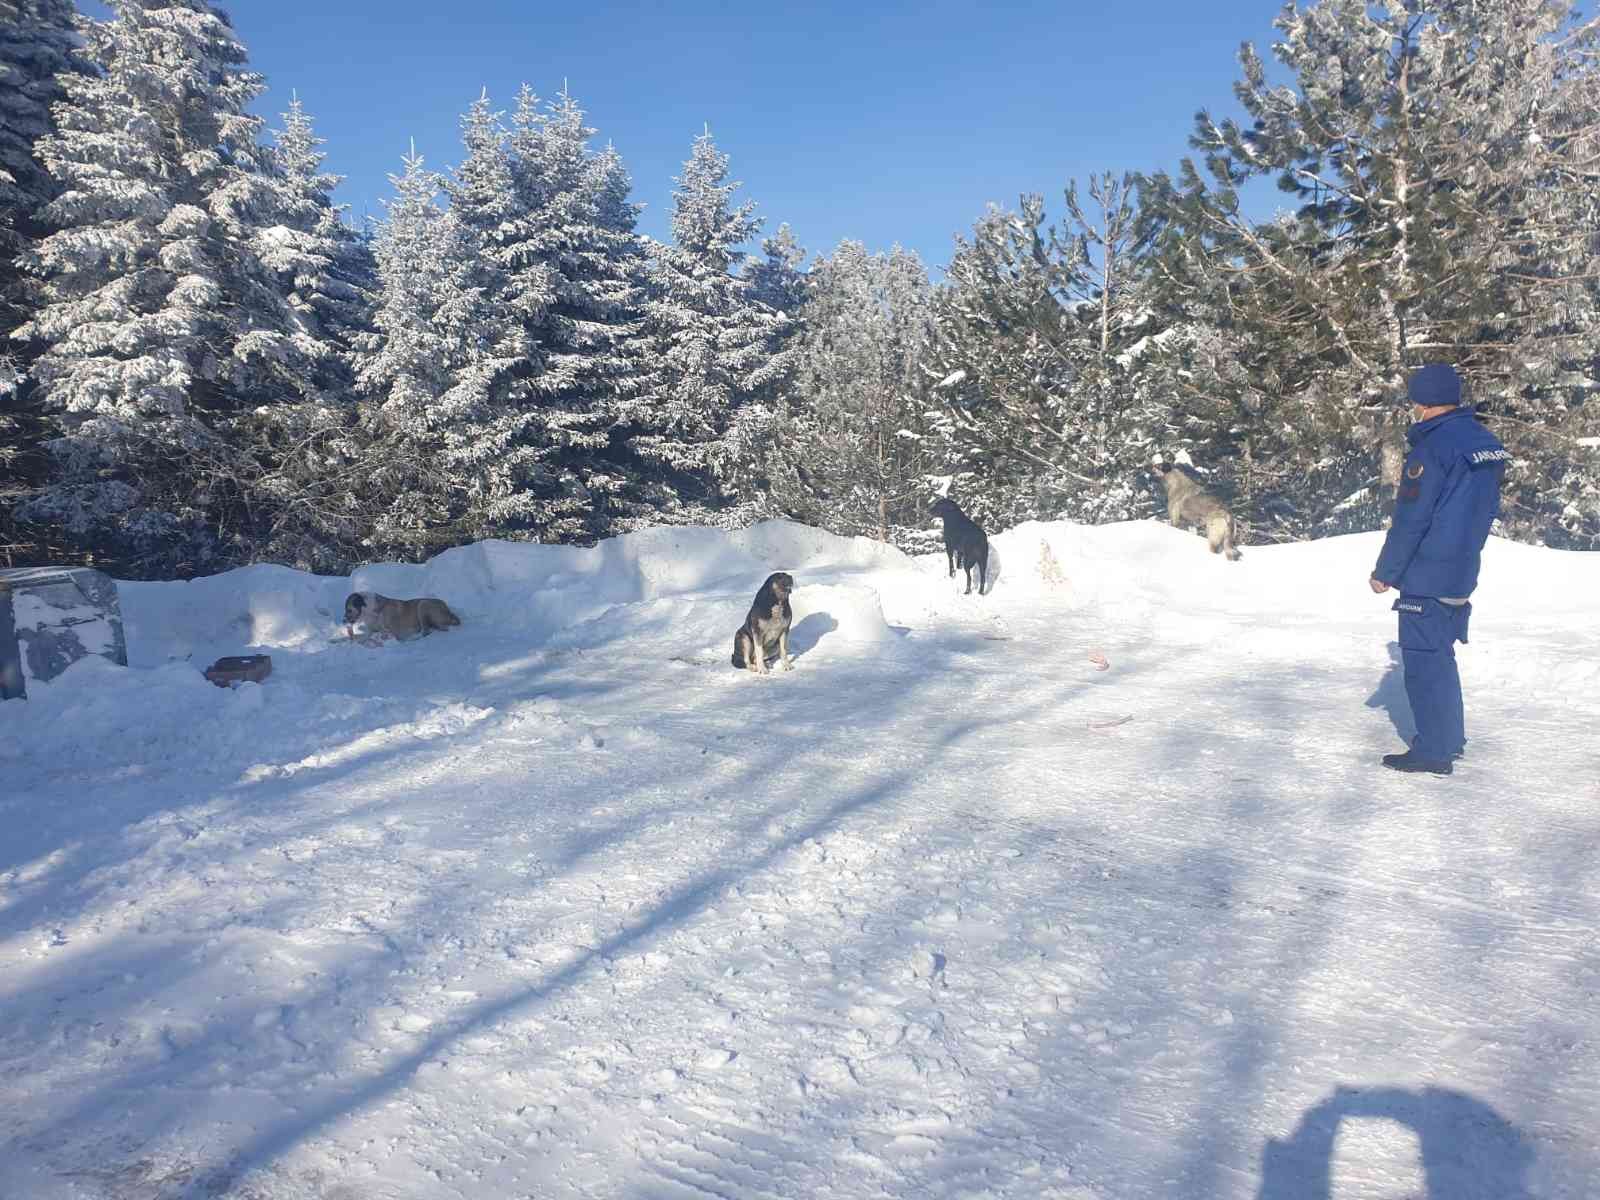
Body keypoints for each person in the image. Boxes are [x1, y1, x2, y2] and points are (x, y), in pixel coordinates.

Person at [1369, 364, 1509, 775]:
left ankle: (1434, 751)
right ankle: (1448, 739)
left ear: (1423, 402)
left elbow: (1413, 517)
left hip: (1428, 572)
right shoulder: (1485, 442)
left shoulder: (1432, 448)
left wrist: (1386, 571)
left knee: (1425, 662)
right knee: (1440, 656)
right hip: (1463, 568)